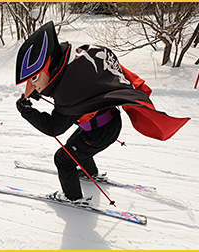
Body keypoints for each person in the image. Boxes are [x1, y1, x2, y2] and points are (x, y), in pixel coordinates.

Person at [14, 21, 189, 204]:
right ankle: (91, 173)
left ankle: (72, 197)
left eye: (34, 78)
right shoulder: (78, 63)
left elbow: (53, 128)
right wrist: (38, 92)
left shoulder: (70, 91)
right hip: (108, 123)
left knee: (63, 159)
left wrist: (26, 111)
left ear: (50, 67)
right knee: (77, 145)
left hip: (98, 133)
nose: (33, 86)